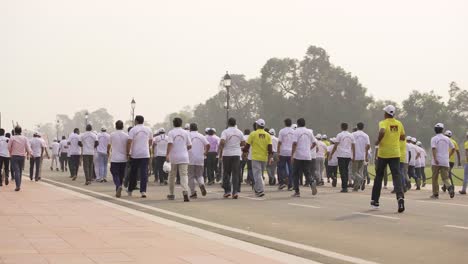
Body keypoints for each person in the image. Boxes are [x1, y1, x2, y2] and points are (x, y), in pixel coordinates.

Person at [371, 105, 405, 213]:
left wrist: (378, 140)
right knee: (396, 176)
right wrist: (394, 137)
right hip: (395, 153)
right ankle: (400, 197)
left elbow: (381, 131)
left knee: (379, 176)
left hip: (384, 154)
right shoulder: (399, 123)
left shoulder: (383, 122)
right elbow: (403, 137)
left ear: (386, 113)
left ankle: (375, 200)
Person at [243, 119, 272, 197]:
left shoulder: (253, 134)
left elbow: (247, 146)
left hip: (255, 157)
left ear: (257, 125)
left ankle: (260, 190)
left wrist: (245, 153)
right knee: (260, 174)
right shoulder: (268, 135)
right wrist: (269, 159)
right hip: (264, 158)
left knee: (257, 175)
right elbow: (270, 149)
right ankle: (257, 189)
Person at [166, 117, 192, 202]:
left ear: (173, 123)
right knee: (184, 175)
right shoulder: (185, 132)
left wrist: (167, 154)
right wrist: (184, 149)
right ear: (181, 123)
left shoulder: (171, 132)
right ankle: (185, 191)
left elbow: (170, 144)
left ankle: (171, 194)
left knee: (172, 176)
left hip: (174, 156)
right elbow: (189, 145)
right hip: (184, 156)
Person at [127, 115, 152, 198]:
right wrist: (147, 147)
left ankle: (130, 190)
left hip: (135, 154)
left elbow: (129, 142)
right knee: (143, 173)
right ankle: (143, 191)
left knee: (133, 173)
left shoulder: (133, 130)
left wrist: (128, 152)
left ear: (136, 121)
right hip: (145, 154)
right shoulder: (148, 129)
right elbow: (151, 141)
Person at [219, 118, 245, 199]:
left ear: (228, 123)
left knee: (226, 173)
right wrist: (237, 144)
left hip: (227, 154)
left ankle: (227, 191)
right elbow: (244, 143)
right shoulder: (239, 132)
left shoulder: (225, 131)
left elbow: (222, 141)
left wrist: (224, 145)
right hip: (237, 154)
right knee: (235, 173)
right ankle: (235, 192)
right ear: (235, 123)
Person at [290, 118, 317, 197]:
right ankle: (312, 182)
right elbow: (314, 143)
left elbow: (294, 143)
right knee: (307, 172)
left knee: (295, 174)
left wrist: (292, 155)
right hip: (307, 155)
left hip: (298, 155)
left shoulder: (296, 131)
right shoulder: (309, 131)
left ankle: (297, 192)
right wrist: (309, 149)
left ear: (297, 124)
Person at [430, 123, 455, 199]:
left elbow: (434, 149)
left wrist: (435, 159)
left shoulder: (434, 138)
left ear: (435, 130)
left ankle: (435, 193)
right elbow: (453, 148)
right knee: (445, 177)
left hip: (436, 161)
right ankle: (450, 187)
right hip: (445, 161)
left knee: (435, 178)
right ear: (442, 130)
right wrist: (448, 156)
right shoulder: (447, 139)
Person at [330, 123, 354, 193]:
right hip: (348, 155)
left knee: (342, 171)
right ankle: (345, 186)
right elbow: (353, 146)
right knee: (346, 171)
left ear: (341, 127)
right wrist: (353, 155)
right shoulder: (351, 135)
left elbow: (335, 145)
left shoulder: (339, 135)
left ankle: (344, 187)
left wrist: (331, 154)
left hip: (341, 155)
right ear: (347, 127)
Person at [188, 123, 209, 199]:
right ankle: (201, 184)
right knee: (199, 175)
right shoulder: (201, 136)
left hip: (190, 158)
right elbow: (208, 144)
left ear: (190, 128)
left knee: (190, 176)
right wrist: (205, 152)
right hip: (200, 158)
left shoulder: (188, 135)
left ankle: (193, 192)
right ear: (197, 128)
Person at [8, 126, 31, 191]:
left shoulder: (12, 138)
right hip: (22, 156)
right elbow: (28, 147)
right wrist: (29, 154)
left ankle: (17, 185)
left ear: (15, 131)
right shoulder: (24, 138)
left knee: (16, 171)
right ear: (21, 131)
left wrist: (10, 152)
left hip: (14, 156)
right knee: (20, 171)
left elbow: (9, 147)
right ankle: (18, 185)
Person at [109, 120, 129, 198]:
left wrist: (108, 151)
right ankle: (118, 188)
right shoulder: (126, 136)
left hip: (115, 158)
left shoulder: (112, 135)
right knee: (121, 175)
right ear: (123, 126)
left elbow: (109, 145)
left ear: (115, 126)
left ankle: (118, 185)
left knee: (115, 173)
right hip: (123, 158)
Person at [351, 122, 370, 191]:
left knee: (353, 172)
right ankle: (356, 187)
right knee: (358, 171)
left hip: (355, 155)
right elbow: (368, 146)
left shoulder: (353, 134)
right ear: (363, 127)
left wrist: (352, 155)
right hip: (362, 156)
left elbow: (351, 145)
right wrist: (366, 156)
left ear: (357, 127)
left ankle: (361, 179)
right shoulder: (366, 135)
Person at [277, 118, 294, 191]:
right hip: (291, 152)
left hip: (283, 152)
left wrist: (278, 152)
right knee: (291, 169)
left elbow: (279, 142)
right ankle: (290, 185)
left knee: (281, 168)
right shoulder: (294, 131)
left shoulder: (282, 131)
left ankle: (282, 182)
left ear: (285, 123)